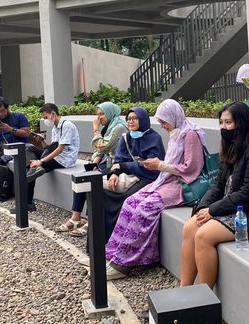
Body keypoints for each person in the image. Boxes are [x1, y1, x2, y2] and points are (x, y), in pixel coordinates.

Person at [180, 102, 249, 289]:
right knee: (190, 227)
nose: (223, 127)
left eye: (228, 123)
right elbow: (218, 185)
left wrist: (213, 210)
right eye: (221, 122)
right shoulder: (231, 146)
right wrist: (202, 208)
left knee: (203, 236)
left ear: (242, 123)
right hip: (237, 208)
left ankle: (205, 300)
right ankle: (184, 293)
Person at [104, 99, 206, 280]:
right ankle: (114, 253)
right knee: (130, 201)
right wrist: (161, 167)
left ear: (173, 117)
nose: (162, 125)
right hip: (168, 180)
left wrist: (159, 165)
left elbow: (191, 168)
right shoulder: (177, 132)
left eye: (164, 121)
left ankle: (124, 264)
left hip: (183, 184)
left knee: (145, 208)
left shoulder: (190, 134)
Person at [56, 106, 165, 238]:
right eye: (128, 119)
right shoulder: (126, 137)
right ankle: (81, 220)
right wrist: (114, 173)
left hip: (145, 175)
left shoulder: (153, 138)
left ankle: (116, 235)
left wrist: (121, 166)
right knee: (86, 178)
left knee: (127, 199)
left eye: (134, 118)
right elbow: (118, 158)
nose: (130, 121)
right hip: (119, 168)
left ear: (143, 120)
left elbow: (151, 165)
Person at [17, 103, 80, 212]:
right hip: (55, 156)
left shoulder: (67, 125)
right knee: (29, 149)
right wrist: (42, 141)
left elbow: (59, 148)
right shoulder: (55, 127)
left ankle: (27, 203)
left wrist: (41, 161)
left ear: (53, 114)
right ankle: (37, 169)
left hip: (65, 159)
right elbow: (49, 147)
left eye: (46, 117)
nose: (45, 120)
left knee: (32, 167)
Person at [91, 102, 128, 172]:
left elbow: (103, 147)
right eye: (98, 115)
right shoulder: (108, 128)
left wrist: (96, 129)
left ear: (109, 113)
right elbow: (100, 152)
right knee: (87, 172)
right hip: (108, 161)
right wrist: (94, 164)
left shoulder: (119, 127)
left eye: (102, 114)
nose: (99, 118)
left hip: (118, 164)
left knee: (95, 177)